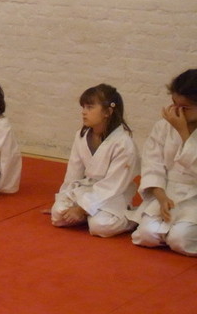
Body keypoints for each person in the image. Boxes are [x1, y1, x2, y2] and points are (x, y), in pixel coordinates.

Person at [50, 84, 139, 237]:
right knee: (58, 215)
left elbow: (113, 185)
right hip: (87, 188)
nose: (84, 112)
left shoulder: (123, 143)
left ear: (108, 112)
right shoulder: (81, 135)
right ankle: (89, 215)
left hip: (114, 194)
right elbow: (74, 172)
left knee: (100, 226)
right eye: (83, 107)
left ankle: (131, 218)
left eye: (90, 107)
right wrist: (63, 198)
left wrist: (82, 209)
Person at [131, 69, 197, 256]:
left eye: (185, 107)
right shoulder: (163, 127)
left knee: (180, 240)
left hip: (194, 196)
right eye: (174, 103)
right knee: (146, 235)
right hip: (167, 193)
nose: (176, 111)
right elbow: (152, 165)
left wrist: (183, 133)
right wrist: (161, 197)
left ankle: (177, 233)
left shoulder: (178, 127)